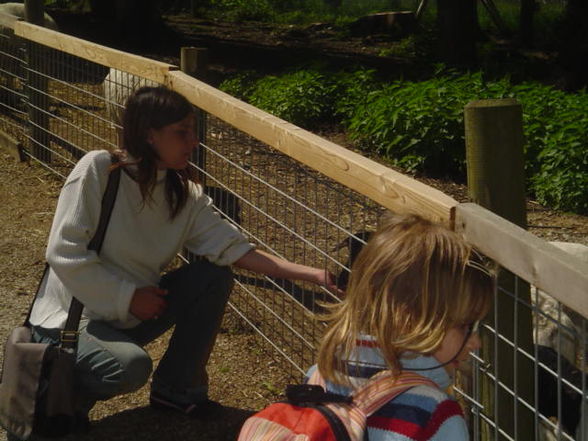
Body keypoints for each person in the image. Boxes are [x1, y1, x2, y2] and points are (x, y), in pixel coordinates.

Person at [24, 85, 339, 436]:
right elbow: (63, 252)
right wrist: (128, 296)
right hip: (70, 320)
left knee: (212, 276)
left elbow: (236, 250)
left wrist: (319, 275)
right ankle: (58, 400)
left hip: (128, 311)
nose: (193, 142)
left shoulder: (184, 194)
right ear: (149, 134)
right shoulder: (100, 169)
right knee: (129, 367)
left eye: (193, 131)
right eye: (182, 132)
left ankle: (177, 389)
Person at [305, 214, 495, 441]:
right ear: (412, 321)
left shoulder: (320, 376)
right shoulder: (434, 417)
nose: (475, 342)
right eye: (464, 326)